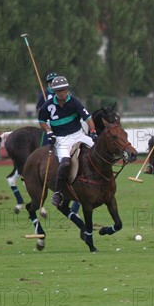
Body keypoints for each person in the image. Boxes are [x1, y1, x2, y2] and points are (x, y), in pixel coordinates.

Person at [37, 76, 98, 207]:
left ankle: (103, 180)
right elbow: (41, 121)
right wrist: (49, 132)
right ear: (54, 91)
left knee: (98, 150)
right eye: (59, 91)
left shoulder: (74, 102)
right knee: (65, 164)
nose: (62, 93)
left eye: (64, 90)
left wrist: (93, 132)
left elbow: (88, 118)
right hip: (61, 139)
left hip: (78, 135)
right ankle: (58, 193)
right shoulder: (47, 106)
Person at [36, 72, 58, 146]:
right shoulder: (44, 94)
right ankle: (46, 147)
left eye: (54, 81)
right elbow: (39, 109)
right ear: (48, 83)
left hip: (61, 119)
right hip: (49, 121)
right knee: (48, 134)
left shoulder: (62, 92)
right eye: (50, 82)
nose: (52, 83)